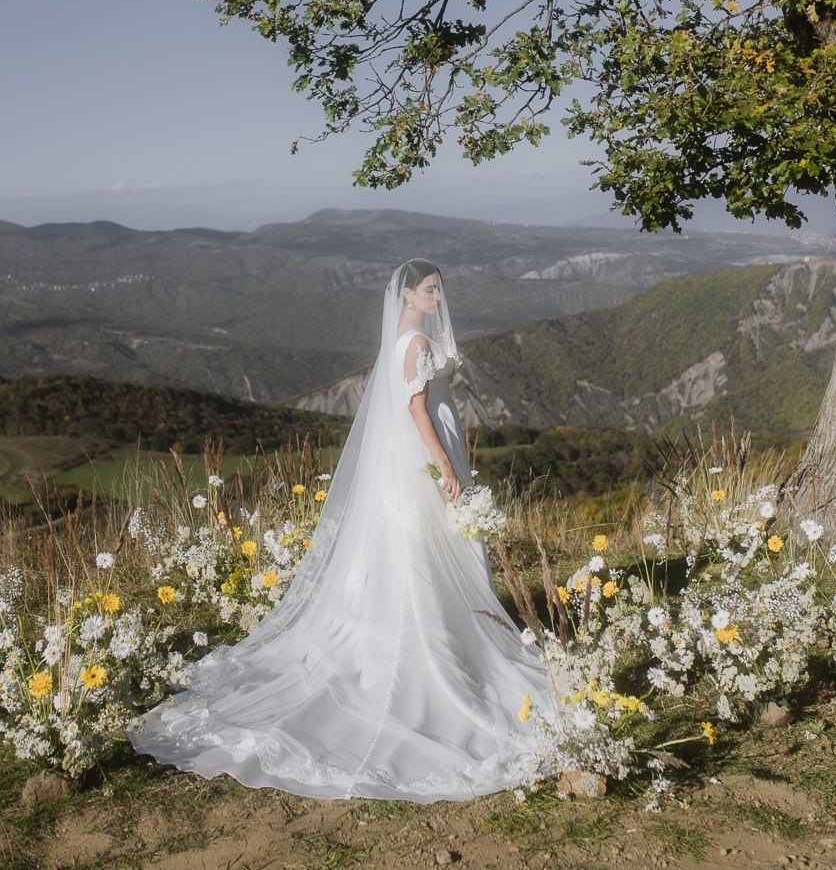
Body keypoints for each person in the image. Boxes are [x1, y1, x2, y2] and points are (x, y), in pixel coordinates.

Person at [127, 259, 561, 800]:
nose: (436, 297)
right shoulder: (416, 345)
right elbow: (418, 411)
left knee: (420, 548)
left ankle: (440, 632)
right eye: (428, 290)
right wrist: (446, 468)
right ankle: (433, 647)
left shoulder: (406, 338)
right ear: (406, 293)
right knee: (428, 548)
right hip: (426, 457)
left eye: (439, 290)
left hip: (410, 461)